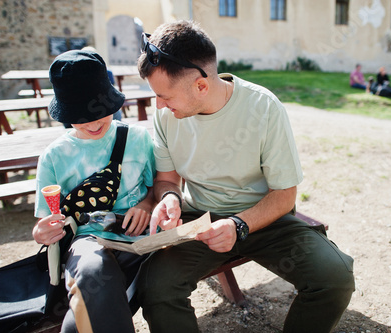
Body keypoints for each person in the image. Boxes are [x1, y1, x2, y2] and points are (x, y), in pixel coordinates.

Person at [136, 20, 355, 333]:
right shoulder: (165, 116)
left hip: (266, 219)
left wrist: (238, 224)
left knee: (334, 278)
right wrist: (170, 197)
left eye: (165, 97)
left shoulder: (264, 108)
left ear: (201, 85)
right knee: (156, 288)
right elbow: (167, 179)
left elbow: (284, 195)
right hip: (201, 222)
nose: (158, 105)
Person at [33, 50, 156, 332]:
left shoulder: (137, 138)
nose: (92, 122)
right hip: (87, 239)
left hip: (140, 232)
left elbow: (154, 190)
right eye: (78, 116)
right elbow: (44, 222)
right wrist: (41, 233)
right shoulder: (53, 157)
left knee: (81, 317)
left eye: (100, 112)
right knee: (92, 270)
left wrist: (147, 205)